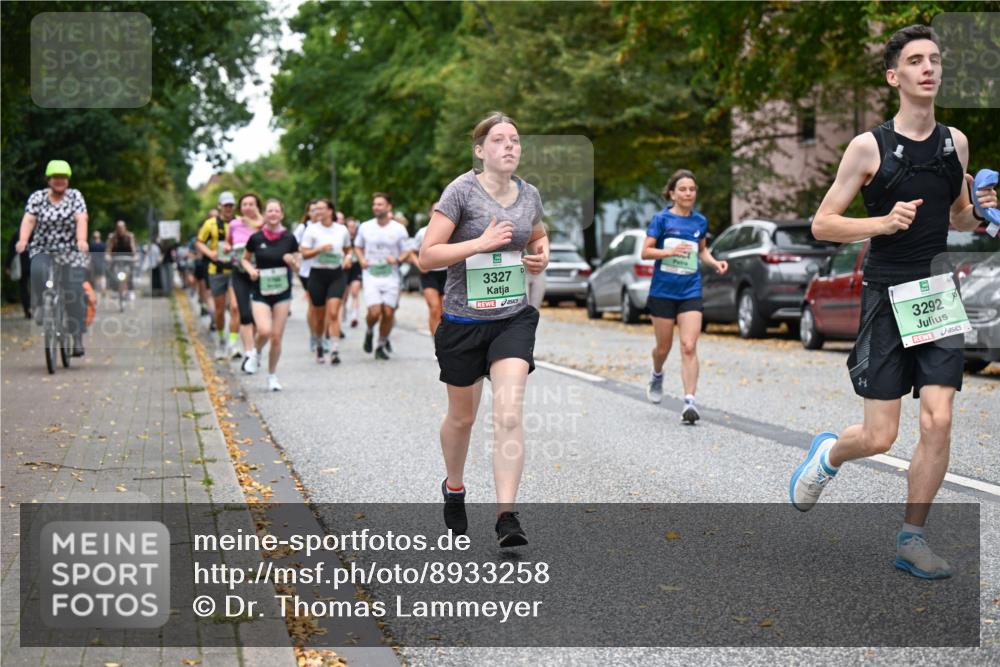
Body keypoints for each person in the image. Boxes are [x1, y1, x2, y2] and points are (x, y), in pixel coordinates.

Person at [788, 25, 998, 579]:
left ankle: (912, 537)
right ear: (894, 76)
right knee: (881, 435)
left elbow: (954, 214)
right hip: (886, 288)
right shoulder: (869, 146)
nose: (928, 67)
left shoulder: (956, 143)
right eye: (914, 61)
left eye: (934, 59)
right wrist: (881, 221)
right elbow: (823, 222)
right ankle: (830, 455)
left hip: (935, 290)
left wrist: (979, 208)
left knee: (939, 418)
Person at [419, 112, 548, 547]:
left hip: (512, 318)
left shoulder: (528, 194)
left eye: (515, 140)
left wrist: (539, 256)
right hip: (462, 322)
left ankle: (506, 515)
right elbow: (427, 256)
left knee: (508, 413)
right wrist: (479, 244)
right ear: (480, 150)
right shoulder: (460, 192)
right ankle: (454, 487)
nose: (509, 146)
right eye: (498, 140)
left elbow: (537, 235)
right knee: (462, 417)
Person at [641, 170, 728, 423]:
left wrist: (715, 263)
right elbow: (645, 252)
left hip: (690, 290)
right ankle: (657, 373)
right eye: (683, 189)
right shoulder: (661, 220)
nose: (688, 193)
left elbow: (702, 251)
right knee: (663, 347)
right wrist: (668, 253)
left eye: (692, 189)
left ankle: (689, 401)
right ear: (672, 194)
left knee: (689, 346)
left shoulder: (699, 222)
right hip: (663, 291)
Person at [16, 159, 90, 356]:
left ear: (68, 180)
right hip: (43, 249)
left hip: (70, 252)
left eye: (63, 177)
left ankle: (77, 338)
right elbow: (29, 219)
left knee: (74, 293)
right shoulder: (37, 198)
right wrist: (23, 240)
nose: (60, 181)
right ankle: (41, 304)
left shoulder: (75, 196)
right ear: (49, 179)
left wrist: (81, 240)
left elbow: (81, 218)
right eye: (56, 177)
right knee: (37, 270)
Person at [241, 199, 299, 391]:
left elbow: (298, 265)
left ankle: (272, 376)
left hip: (282, 291)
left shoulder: (289, 238)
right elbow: (244, 259)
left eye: (276, 211)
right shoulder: (256, 238)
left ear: (281, 215)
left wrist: (292, 261)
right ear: (265, 215)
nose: (273, 214)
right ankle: (255, 352)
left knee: (276, 337)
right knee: (264, 330)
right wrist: (250, 270)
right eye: (270, 211)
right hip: (261, 290)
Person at [354, 193, 410, 360]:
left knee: (388, 311)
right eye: (375, 204)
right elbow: (357, 246)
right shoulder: (365, 227)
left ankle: (380, 344)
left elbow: (407, 250)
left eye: (380, 204)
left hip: (391, 275)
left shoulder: (398, 229)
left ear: (388, 207)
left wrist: (398, 259)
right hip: (371, 274)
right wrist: (362, 259)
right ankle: (370, 330)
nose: (376, 207)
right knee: (375, 311)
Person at [300, 199, 353, 364]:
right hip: (317, 275)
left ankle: (335, 350)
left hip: (336, 274)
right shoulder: (312, 229)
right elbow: (304, 253)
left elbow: (347, 249)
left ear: (330, 211)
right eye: (316, 209)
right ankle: (319, 346)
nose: (318, 212)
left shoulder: (341, 229)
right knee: (320, 316)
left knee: (333, 312)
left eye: (322, 209)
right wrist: (319, 249)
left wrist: (348, 258)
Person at [195, 192, 236, 359]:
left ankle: (233, 345)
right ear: (220, 206)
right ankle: (221, 341)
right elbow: (199, 242)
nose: (228, 208)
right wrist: (209, 253)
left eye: (231, 205)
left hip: (235, 270)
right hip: (216, 271)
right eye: (225, 205)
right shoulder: (210, 224)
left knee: (235, 307)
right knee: (219, 311)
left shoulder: (238, 223)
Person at [229, 192, 264, 368]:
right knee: (244, 314)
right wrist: (229, 249)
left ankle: (256, 349)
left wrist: (257, 220)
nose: (248, 207)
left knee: (258, 318)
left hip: (259, 273)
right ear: (240, 207)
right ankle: (248, 353)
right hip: (240, 272)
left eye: (251, 204)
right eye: (245, 204)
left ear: (257, 206)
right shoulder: (234, 224)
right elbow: (228, 243)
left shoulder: (264, 223)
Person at [412, 203, 447, 335]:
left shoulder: (451, 230)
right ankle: (436, 344)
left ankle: (444, 342)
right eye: (435, 211)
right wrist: (420, 265)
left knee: (445, 311)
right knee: (434, 308)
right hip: (429, 274)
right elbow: (411, 252)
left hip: (447, 273)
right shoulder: (422, 232)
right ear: (430, 213)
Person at [292, 199, 320, 351]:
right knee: (313, 305)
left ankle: (323, 334)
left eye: (318, 209)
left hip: (326, 270)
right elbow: (292, 246)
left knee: (325, 306)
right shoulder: (303, 228)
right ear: (308, 213)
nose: (316, 212)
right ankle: (314, 335)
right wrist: (296, 261)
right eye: (313, 210)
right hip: (307, 271)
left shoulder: (329, 227)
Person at [107, 220, 137, 300]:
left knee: (129, 273)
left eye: (121, 227)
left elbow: (133, 247)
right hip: (116, 259)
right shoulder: (113, 236)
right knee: (112, 272)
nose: (120, 229)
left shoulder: (130, 236)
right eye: (118, 227)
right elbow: (109, 248)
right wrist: (108, 256)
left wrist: (135, 256)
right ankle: (114, 290)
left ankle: (130, 290)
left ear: (125, 227)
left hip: (128, 258)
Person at [342, 217, 363, 328]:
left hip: (356, 267)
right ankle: (344, 311)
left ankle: (354, 316)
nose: (352, 229)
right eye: (349, 227)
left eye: (353, 227)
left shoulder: (359, 239)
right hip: (345, 268)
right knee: (344, 295)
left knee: (355, 292)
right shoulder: (343, 238)